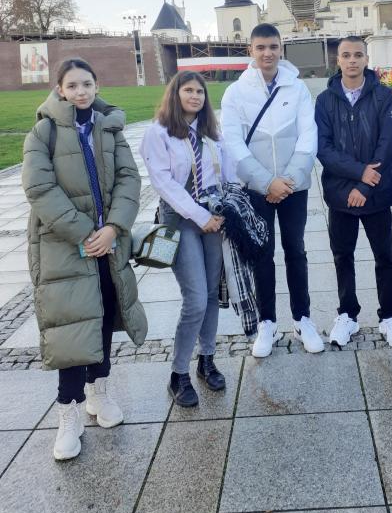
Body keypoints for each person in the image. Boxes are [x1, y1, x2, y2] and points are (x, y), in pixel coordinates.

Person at [22, 58, 146, 460]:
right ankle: (69, 412)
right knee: (72, 327)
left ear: (96, 86)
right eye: (73, 85)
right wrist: (85, 232)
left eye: (87, 84)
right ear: (60, 89)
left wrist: (113, 228)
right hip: (64, 244)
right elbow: (39, 188)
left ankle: (99, 391)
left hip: (106, 243)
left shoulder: (108, 126)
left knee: (104, 314)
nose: (81, 92)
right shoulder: (43, 132)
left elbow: (129, 178)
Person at [220, 23, 324, 357]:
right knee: (262, 253)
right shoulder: (236, 92)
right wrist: (267, 182)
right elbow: (233, 143)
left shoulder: (297, 87)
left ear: (281, 49)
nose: (268, 53)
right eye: (261, 47)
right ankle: (267, 322)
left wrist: (288, 179)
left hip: (293, 186)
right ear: (251, 50)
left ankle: (302, 318)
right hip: (257, 188)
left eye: (273, 47)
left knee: (296, 250)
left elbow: (308, 135)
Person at [140, 71, 235, 406]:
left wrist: (227, 209)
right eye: (188, 90)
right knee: (195, 298)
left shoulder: (211, 131)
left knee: (211, 294)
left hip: (213, 217)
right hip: (181, 218)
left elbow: (226, 171)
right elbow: (163, 183)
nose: (195, 96)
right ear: (175, 94)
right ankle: (178, 373)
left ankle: (206, 359)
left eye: (200, 91)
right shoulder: (159, 132)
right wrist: (200, 216)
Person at [315, 36, 392, 348]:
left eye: (357, 55)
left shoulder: (382, 95)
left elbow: (387, 145)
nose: (352, 60)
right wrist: (358, 175)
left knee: (385, 257)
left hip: (376, 194)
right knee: (343, 256)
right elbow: (323, 149)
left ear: (366, 59)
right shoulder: (325, 100)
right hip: (340, 195)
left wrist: (366, 185)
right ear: (338, 60)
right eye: (346, 55)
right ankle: (347, 314)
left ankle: (390, 316)